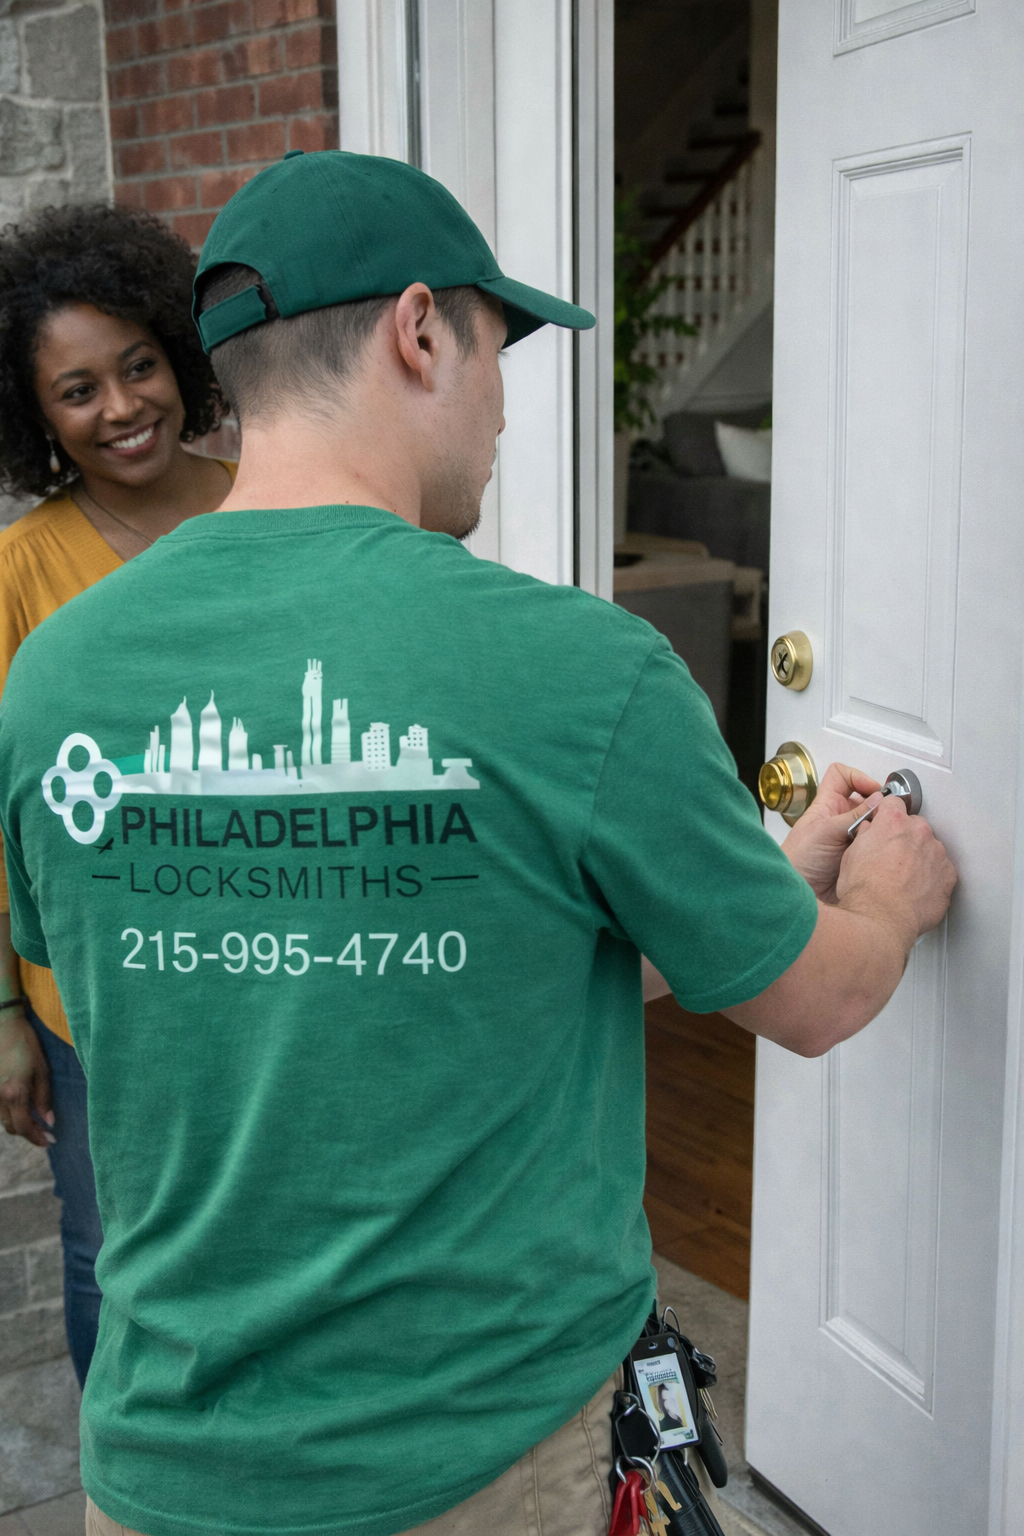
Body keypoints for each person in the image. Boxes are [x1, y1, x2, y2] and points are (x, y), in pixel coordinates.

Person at [0, 151, 955, 1536]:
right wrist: (885, 897)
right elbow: (813, 1001)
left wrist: (754, 886)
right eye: (503, 351)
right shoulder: (576, 668)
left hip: (160, 1469)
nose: (507, 412)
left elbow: (349, 965)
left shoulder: (57, 672)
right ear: (420, 329)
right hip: (471, 1467)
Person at [0, 203, 232, 1387]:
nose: (124, 406)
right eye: (77, 389)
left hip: (273, 970)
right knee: (108, 1257)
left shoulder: (270, 506)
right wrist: (3, 1017)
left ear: (181, 354)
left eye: (138, 364)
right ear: (35, 415)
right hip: (93, 1004)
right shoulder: (22, 570)